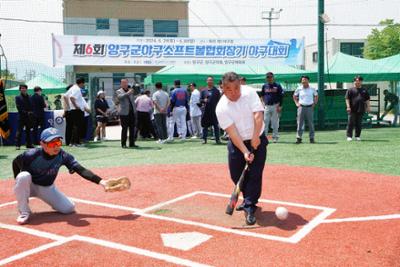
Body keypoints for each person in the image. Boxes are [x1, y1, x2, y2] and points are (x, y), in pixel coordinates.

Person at [12, 127, 111, 225]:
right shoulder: (31, 155)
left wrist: (102, 182)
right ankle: (24, 212)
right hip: (29, 185)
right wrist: (18, 182)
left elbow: (81, 170)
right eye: (52, 143)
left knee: (69, 209)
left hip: (46, 188)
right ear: (42, 144)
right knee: (23, 176)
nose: (56, 147)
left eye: (58, 142)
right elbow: (15, 162)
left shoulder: (63, 156)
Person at [216, 72, 268, 225]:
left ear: (240, 84)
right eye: (229, 89)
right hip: (237, 141)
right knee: (236, 174)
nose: (234, 92)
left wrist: (255, 137)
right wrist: (245, 151)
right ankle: (247, 198)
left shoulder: (250, 93)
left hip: (256, 136)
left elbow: (258, 115)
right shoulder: (221, 108)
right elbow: (232, 132)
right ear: (222, 89)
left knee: (255, 173)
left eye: (236, 88)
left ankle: (250, 206)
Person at [64, 78, 90, 146]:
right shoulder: (77, 89)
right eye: (83, 83)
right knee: (78, 126)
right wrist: (76, 106)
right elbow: (72, 98)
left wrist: (69, 106)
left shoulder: (73, 87)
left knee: (75, 126)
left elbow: (65, 96)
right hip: (77, 110)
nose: (84, 85)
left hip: (73, 110)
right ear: (81, 83)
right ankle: (76, 143)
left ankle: (72, 142)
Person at [293, 75, 318, 144]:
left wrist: (314, 103)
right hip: (301, 107)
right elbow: (294, 96)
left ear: (308, 81)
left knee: (311, 123)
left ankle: (311, 138)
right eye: (302, 80)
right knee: (300, 123)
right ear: (301, 81)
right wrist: (296, 103)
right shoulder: (299, 88)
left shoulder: (312, 88)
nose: (304, 81)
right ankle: (299, 138)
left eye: (305, 80)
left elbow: (316, 96)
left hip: (310, 107)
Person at [260, 72, 284, 143]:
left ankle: (275, 137)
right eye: (268, 77)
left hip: (275, 106)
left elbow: (281, 96)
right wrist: (262, 103)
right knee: (265, 122)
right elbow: (262, 95)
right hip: (267, 106)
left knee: (275, 123)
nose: (269, 78)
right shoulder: (264, 86)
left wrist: (280, 106)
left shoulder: (277, 85)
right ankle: (264, 138)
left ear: (273, 77)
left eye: (270, 77)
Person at [345, 76, 370, 141]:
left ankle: (357, 136)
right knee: (350, 123)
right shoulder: (350, 90)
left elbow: (367, 100)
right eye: (355, 81)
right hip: (352, 109)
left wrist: (368, 107)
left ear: (361, 82)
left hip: (361, 109)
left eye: (358, 81)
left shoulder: (364, 90)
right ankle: (349, 136)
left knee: (359, 124)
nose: (357, 82)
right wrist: (348, 107)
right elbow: (347, 99)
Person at [115, 79, 138, 148]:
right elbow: (120, 97)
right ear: (121, 84)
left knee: (132, 128)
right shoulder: (118, 91)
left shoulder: (131, 90)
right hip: (124, 113)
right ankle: (123, 144)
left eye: (126, 83)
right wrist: (128, 93)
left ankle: (132, 143)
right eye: (123, 83)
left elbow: (136, 95)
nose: (125, 84)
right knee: (124, 128)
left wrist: (135, 89)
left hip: (132, 112)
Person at [200, 76, 221, 144]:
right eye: (209, 80)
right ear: (206, 81)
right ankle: (204, 139)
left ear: (213, 81)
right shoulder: (203, 91)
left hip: (214, 111)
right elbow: (200, 100)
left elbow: (219, 101)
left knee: (216, 126)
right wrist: (203, 100)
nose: (210, 81)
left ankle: (217, 139)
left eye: (211, 80)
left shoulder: (216, 91)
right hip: (206, 111)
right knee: (205, 126)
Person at [15, 84, 34, 150]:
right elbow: (18, 107)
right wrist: (26, 112)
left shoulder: (30, 96)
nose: (23, 89)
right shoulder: (17, 97)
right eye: (22, 88)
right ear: (20, 89)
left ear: (26, 89)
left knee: (28, 131)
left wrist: (31, 112)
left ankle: (28, 144)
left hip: (29, 117)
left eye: (24, 88)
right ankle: (17, 145)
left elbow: (32, 106)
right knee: (19, 131)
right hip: (21, 117)